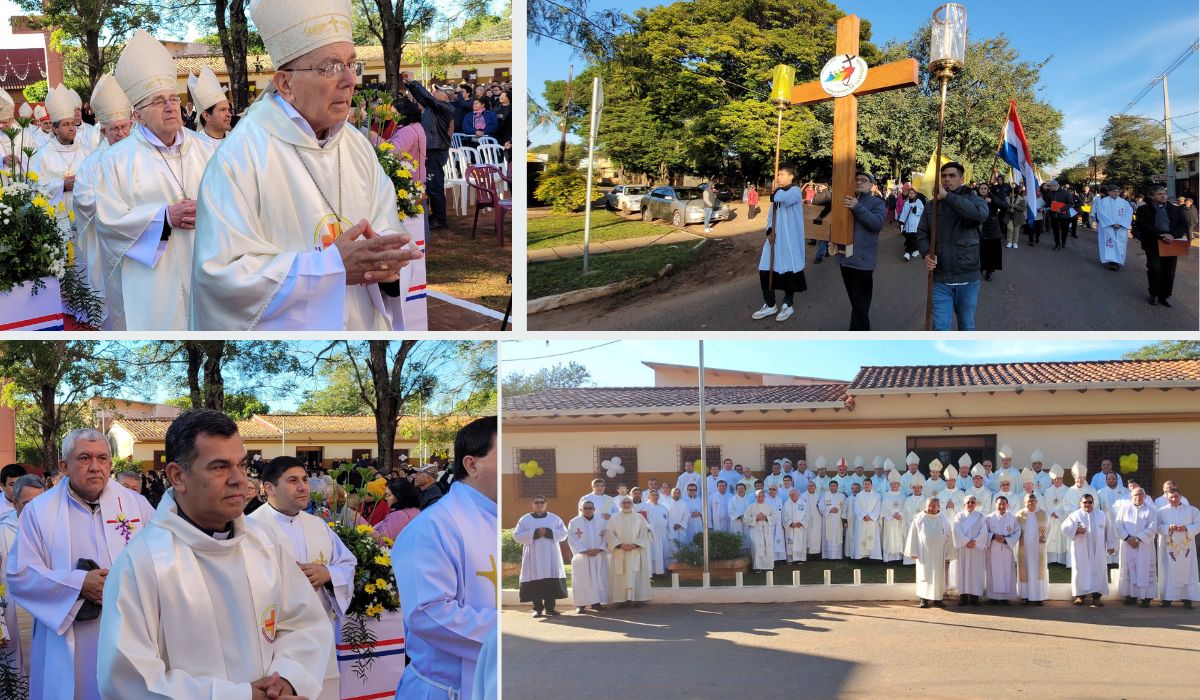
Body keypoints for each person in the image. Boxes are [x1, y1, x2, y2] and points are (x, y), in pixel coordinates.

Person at [192, 1, 424, 331]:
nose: (349, 80)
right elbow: (221, 277)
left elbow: (390, 234)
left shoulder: (356, 146)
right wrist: (327, 268)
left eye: (351, 64)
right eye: (329, 67)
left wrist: (387, 267)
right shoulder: (241, 157)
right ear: (285, 84)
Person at [96, 410, 332, 698]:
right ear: (177, 476)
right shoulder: (142, 563)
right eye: (220, 467)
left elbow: (303, 623)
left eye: (242, 465)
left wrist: (288, 680)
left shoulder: (265, 540)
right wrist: (237, 696)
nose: (240, 480)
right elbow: (127, 678)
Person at [5, 429, 154, 700]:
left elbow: (162, 560)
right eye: (84, 458)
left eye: (103, 458)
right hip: (67, 637)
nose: (95, 467)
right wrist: (79, 584)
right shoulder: (39, 511)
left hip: (130, 634)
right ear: (64, 465)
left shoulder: (138, 506)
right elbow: (20, 574)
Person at [93, 31, 215, 331]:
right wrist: (163, 217)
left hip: (207, 268)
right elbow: (108, 222)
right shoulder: (116, 160)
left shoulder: (208, 150)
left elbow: (236, 204)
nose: (171, 106)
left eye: (173, 98)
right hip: (153, 279)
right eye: (159, 101)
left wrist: (210, 211)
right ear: (139, 115)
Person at [392, 416, 497, 699]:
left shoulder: (498, 520)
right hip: (447, 690)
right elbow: (427, 613)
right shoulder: (434, 525)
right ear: (472, 464)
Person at [248, 455, 356, 700]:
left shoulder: (318, 525)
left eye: (305, 479)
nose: (303, 487)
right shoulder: (250, 527)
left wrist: (328, 573)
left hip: (318, 635)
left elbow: (347, 563)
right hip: (274, 636)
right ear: (268, 488)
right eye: (292, 480)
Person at [917, 162, 989, 331]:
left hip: (968, 279)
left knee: (966, 326)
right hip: (940, 279)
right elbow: (922, 233)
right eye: (943, 176)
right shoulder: (931, 205)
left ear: (962, 179)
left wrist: (948, 198)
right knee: (941, 328)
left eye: (952, 176)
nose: (947, 179)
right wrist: (926, 253)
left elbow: (980, 215)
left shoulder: (975, 199)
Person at [753, 165, 807, 323]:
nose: (778, 177)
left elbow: (783, 198)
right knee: (765, 269)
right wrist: (769, 231)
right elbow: (771, 214)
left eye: (782, 174)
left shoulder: (795, 191)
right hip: (774, 238)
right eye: (778, 174)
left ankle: (787, 304)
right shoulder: (778, 192)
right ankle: (770, 305)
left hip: (790, 240)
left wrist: (775, 190)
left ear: (791, 176)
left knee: (788, 271)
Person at [835, 171, 887, 331]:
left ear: (872, 185)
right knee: (857, 304)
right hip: (845, 260)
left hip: (863, 263)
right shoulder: (846, 199)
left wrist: (857, 207)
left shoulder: (877, 202)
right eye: (856, 179)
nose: (859, 182)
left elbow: (877, 223)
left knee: (860, 307)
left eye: (864, 180)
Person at [28, 85, 93, 212]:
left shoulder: (86, 151)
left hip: (84, 213)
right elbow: (35, 185)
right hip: (56, 215)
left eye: (73, 124)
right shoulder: (43, 154)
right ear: (55, 128)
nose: (71, 128)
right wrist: (62, 185)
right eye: (66, 124)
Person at [403, 75, 454, 230]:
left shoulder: (446, 108)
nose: (434, 93)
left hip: (436, 150)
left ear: (445, 96)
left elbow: (426, 97)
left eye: (438, 91)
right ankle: (436, 215)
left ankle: (440, 218)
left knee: (434, 185)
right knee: (430, 184)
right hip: (431, 149)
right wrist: (409, 85)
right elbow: (422, 98)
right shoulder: (434, 108)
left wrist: (413, 82)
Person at [1133, 185, 1191, 307]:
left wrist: (1172, 235)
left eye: (1164, 193)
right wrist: (1160, 236)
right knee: (1155, 269)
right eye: (1159, 194)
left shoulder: (1175, 209)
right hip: (1153, 244)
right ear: (1151, 196)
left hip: (1171, 244)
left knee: (1169, 272)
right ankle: (1154, 294)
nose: (1163, 195)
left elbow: (1184, 224)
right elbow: (1143, 226)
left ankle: (1165, 295)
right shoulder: (1144, 209)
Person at [513, 497, 568, 618]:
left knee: (550, 580)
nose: (539, 504)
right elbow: (516, 536)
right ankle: (537, 609)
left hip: (551, 555)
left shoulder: (554, 518)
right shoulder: (525, 519)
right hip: (533, 555)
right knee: (535, 580)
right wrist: (535, 533)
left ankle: (550, 608)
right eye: (536, 502)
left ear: (546, 504)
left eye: (541, 502)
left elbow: (564, 533)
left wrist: (549, 532)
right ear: (532, 504)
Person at [1062, 494, 1116, 606]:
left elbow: (1109, 530)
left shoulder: (1101, 515)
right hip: (1081, 549)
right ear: (1080, 503)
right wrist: (1076, 530)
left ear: (1093, 503)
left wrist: (1111, 545)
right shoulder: (1075, 515)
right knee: (1081, 570)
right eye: (1085, 502)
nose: (1087, 504)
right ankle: (1080, 596)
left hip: (1098, 549)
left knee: (1099, 571)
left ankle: (1096, 597)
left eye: (1090, 502)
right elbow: (1065, 528)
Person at [905, 497, 955, 608]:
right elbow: (913, 536)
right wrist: (913, 551)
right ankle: (924, 599)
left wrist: (948, 553)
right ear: (926, 506)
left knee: (938, 576)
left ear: (938, 507)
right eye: (929, 506)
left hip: (939, 553)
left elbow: (949, 536)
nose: (931, 508)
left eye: (933, 506)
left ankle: (938, 599)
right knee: (924, 575)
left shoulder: (944, 519)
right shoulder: (918, 518)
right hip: (924, 554)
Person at [605, 496, 652, 608]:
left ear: (632, 504)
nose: (626, 504)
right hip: (620, 552)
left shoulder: (639, 517)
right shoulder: (614, 518)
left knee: (636, 573)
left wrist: (635, 544)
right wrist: (620, 545)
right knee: (621, 574)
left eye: (628, 502)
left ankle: (638, 598)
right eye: (624, 502)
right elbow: (609, 533)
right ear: (620, 505)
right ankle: (620, 600)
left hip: (635, 551)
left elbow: (644, 531)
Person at [1115, 487, 1158, 607]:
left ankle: (1146, 598)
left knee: (1144, 570)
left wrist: (1138, 539)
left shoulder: (1151, 510)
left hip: (1145, 546)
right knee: (1130, 569)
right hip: (1128, 544)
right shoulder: (1124, 508)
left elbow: (1153, 527)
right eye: (1135, 495)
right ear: (1131, 496)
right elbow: (1118, 525)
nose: (1138, 497)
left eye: (1140, 495)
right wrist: (1128, 538)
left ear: (1145, 496)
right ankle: (1131, 596)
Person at [1156, 488, 1198, 608]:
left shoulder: (1191, 510)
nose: (1174, 499)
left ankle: (1187, 598)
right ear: (1167, 498)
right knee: (1168, 570)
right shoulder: (1161, 512)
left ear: (1181, 496)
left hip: (1186, 547)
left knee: (1187, 569)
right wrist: (1168, 528)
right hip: (1169, 546)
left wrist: (1187, 528)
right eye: (1171, 497)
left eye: (1176, 496)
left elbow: (1198, 524)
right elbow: (1157, 527)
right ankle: (1167, 598)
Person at [566, 500, 609, 613]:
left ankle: (596, 603)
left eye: (590, 508)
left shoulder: (602, 521)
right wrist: (584, 550)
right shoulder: (574, 522)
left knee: (597, 578)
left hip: (597, 555)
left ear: (594, 509)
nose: (588, 510)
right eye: (585, 508)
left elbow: (606, 537)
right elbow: (571, 539)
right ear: (580, 509)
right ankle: (581, 604)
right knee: (582, 580)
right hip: (582, 557)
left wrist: (599, 548)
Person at [1014, 493, 1050, 605]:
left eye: (1033, 501)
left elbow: (1049, 529)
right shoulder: (1019, 515)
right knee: (1025, 571)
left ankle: (1038, 597)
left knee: (1038, 571)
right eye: (1028, 502)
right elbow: (1015, 531)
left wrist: (1043, 544)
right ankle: (1025, 596)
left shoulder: (1043, 514)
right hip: (1024, 549)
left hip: (1038, 549)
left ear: (1036, 502)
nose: (1031, 503)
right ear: (1025, 503)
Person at [983, 496, 1019, 605]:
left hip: (1007, 549)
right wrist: (993, 536)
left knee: (1006, 572)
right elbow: (984, 532)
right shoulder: (988, 518)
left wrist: (1006, 540)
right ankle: (993, 597)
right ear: (995, 505)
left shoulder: (1013, 518)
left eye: (1004, 504)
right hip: (993, 548)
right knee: (993, 571)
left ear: (1008, 505)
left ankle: (1005, 598)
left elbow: (1017, 532)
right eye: (999, 504)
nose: (1002, 506)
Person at [952, 495, 986, 606]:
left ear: (976, 504)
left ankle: (975, 596)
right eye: (968, 502)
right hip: (963, 547)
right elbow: (956, 529)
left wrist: (975, 542)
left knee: (975, 571)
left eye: (972, 502)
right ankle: (963, 596)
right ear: (964, 504)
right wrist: (966, 541)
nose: (970, 504)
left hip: (976, 548)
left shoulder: (981, 516)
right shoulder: (959, 516)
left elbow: (984, 532)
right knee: (962, 570)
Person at [187, 66, 234, 146]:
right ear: (206, 115)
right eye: (222, 110)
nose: (229, 114)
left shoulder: (235, 140)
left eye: (228, 110)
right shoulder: (195, 147)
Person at [1092, 183, 1132, 271]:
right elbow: (1101, 214)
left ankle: (1117, 261)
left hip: (1121, 227)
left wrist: (1121, 223)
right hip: (1108, 227)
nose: (1116, 193)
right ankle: (1113, 262)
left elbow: (1129, 213)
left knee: (1120, 244)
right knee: (1110, 243)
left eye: (1118, 192)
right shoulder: (1103, 202)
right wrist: (1112, 223)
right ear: (1109, 192)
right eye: (1114, 191)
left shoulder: (1124, 202)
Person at [372, 477, 421, 543]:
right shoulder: (415, 510)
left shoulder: (398, 516)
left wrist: (359, 520)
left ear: (399, 496)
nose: (386, 498)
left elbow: (382, 540)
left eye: (389, 495)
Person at [976, 181, 1008, 282]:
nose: (983, 190)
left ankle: (989, 271)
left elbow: (1005, 206)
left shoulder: (993, 198)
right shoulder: (976, 198)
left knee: (991, 251)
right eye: (981, 188)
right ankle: (981, 267)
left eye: (985, 188)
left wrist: (992, 201)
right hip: (979, 228)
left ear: (988, 189)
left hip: (992, 228)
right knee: (981, 250)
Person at [743, 490, 777, 572]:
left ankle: (768, 566)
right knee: (757, 547)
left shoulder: (769, 506)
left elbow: (775, 516)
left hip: (766, 530)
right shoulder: (751, 506)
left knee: (768, 547)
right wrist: (756, 518)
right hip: (756, 530)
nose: (760, 498)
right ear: (755, 497)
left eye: (762, 496)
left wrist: (766, 517)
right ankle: (758, 567)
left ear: (764, 497)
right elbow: (745, 519)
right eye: (758, 496)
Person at [640, 488, 670, 575]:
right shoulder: (645, 507)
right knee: (651, 553)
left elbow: (667, 520)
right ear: (648, 496)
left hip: (661, 533)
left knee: (661, 553)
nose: (654, 497)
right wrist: (649, 528)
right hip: (650, 534)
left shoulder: (663, 507)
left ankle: (661, 571)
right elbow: (643, 520)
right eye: (652, 495)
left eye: (656, 495)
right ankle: (651, 572)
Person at [848, 477, 880, 560]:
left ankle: (873, 556)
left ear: (871, 485)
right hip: (862, 521)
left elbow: (878, 507)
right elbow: (857, 507)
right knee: (860, 537)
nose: (867, 485)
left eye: (868, 484)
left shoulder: (877, 495)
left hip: (872, 521)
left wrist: (871, 516)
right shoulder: (859, 495)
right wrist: (863, 516)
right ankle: (860, 556)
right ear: (863, 485)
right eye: (865, 484)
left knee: (872, 537)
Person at [782, 488, 810, 563]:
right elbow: (784, 516)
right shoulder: (786, 503)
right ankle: (790, 559)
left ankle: (800, 559)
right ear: (789, 495)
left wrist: (800, 523)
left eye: (794, 494)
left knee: (800, 543)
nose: (793, 495)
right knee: (790, 543)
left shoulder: (803, 503)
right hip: (790, 528)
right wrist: (790, 523)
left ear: (798, 495)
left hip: (800, 527)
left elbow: (807, 515)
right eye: (791, 494)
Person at [1043, 180, 1073, 250]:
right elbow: (1048, 203)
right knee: (1055, 230)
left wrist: (1061, 209)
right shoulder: (1050, 193)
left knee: (1064, 230)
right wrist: (1044, 207)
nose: (1048, 188)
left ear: (1055, 186)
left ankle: (1063, 242)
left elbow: (1070, 203)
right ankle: (1057, 244)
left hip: (1064, 216)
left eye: (1049, 186)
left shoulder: (1066, 193)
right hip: (1054, 215)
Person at [898, 187, 924, 260]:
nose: (911, 194)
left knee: (912, 238)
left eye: (912, 193)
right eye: (910, 193)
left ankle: (907, 253)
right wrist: (901, 221)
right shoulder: (906, 203)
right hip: (908, 224)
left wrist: (916, 209)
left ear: (915, 194)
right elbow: (904, 213)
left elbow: (922, 211)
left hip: (915, 224)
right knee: (909, 238)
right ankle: (915, 249)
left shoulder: (918, 201)